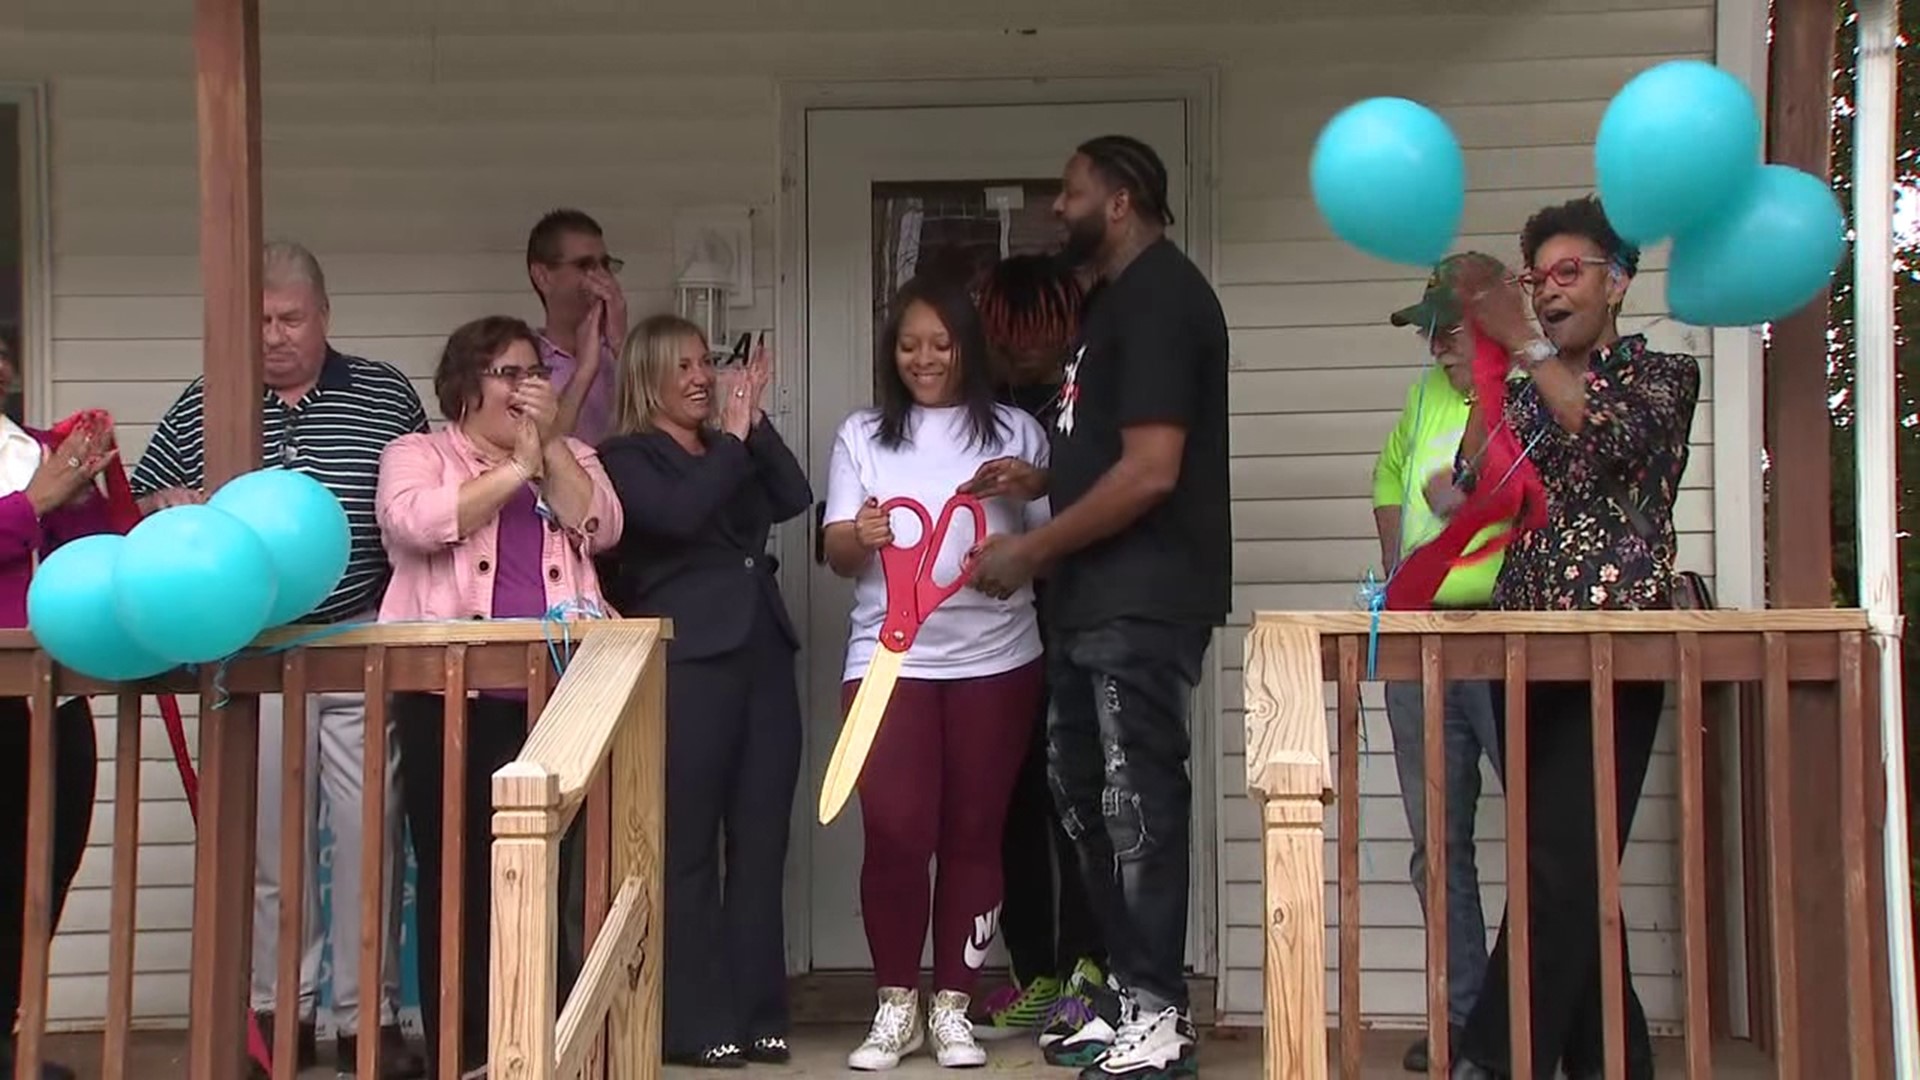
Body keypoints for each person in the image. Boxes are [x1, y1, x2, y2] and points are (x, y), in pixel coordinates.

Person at [128, 241, 429, 1079]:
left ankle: (366, 1019)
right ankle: (279, 1021)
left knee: (370, 840)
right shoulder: (206, 402)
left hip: (358, 642)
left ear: (324, 315)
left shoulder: (382, 392)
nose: (273, 334)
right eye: (258, 319)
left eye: (290, 317)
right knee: (269, 852)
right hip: (252, 656)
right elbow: (146, 502)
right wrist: (168, 504)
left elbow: (417, 501)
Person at [968, 135, 1230, 1080]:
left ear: (1120, 202)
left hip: (1143, 599)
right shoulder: (1110, 307)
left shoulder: (1162, 296)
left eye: (1071, 194)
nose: (1056, 211)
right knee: (1083, 803)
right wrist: (1042, 477)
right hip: (1089, 601)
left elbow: (1154, 471)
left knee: (1137, 804)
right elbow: (1110, 449)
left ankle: (1160, 1011)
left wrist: (1031, 547)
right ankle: (1124, 993)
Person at [1442, 196, 1699, 1080]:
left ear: (1617, 282)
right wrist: (1485, 370)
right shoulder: (1523, 384)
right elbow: (1467, 491)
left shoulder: (1662, 375)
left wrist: (1527, 350)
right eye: (1533, 279)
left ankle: (1493, 1060)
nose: (1547, 291)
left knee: (1556, 871)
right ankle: (1613, 1064)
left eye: (1566, 273)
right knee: (1574, 874)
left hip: (1615, 657)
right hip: (1524, 658)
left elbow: (1613, 432)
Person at [376, 315, 623, 1080]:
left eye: (530, 372)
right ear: (464, 384)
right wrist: (516, 471)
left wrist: (547, 450)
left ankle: (543, 1046)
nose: (522, 387)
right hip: (447, 697)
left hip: (556, 695)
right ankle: (465, 1049)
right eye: (504, 372)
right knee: (457, 873)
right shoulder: (417, 453)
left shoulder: (569, 453)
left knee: (549, 877)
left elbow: (603, 525)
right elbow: (416, 521)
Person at [821, 277, 1050, 1071]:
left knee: (974, 835)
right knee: (894, 831)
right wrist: (863, 532)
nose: (925, 358)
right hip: (889, 662)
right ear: (893, 352)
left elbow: (1044, 544)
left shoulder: (1018, 431)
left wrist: (1013, 543)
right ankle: (895, 1007)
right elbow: (838, 554)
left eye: (941, 343)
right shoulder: (862, 435)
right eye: (909, 343)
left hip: (998, 660)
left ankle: (953, 1003)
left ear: (968, 349)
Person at [596, 316, 811, 1069]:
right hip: (690, 658)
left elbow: (792, 495)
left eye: (705, 363)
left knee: (760, 841)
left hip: (761, 653)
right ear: (647, 377)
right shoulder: (626, 457)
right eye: (682, 366)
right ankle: (694, 1020)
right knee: (688, 846)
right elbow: (679, 518)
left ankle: (760, 1014)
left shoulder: (730, 445)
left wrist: (754, 422)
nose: (700, 376)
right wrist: (730, 436)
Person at [1372, 253, 1511, 1074]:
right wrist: (1400, 573)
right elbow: (1389, 474)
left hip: (1506, 632)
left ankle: (1530, 1016)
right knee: (1438, 845)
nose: (1435, 349)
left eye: (1448, 330)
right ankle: (1464, 1021)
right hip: (1423, 637)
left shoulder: (1518, 396)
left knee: (1547, 841)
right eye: (1428, 333)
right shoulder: (1426, 396)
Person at [969, 255, 1109, 1045]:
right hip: (1002, 630)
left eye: (1038, 338)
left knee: (1080, 797)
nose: (1023, 355)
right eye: (1006, 338)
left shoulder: (1091, 392)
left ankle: (1092, 968)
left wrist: (1044, 480)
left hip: (1084, 612)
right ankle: (1035, 973)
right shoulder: (978, 406)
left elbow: (1121, 487)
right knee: (1015, 798)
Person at [0, 352, 115, 1080]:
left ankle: (8, 1039)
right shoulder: (33, 475)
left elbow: (97, 558)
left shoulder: (38, 449)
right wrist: (32, 505)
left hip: (54, 700)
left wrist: (87, 490)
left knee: (41, 875)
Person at [527, 208, 628, 445]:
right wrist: (585, 370)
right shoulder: (526, 361)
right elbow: (541, 453)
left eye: (605, 265)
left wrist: (621, 346)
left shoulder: (622, 352)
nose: (601, 277)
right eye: (585, 266)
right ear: (543, 277)